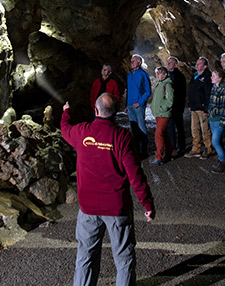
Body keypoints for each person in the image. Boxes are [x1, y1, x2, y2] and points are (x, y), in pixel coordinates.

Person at [61, 94, 155, 286]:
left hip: (89, 209)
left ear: (95, 111)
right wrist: (147, 203)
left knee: (85, 257)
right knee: (124, 259)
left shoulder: (82, 132)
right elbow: (135, 175)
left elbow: (65, 130)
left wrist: (66, 113)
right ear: (116, 112)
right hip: (116, 208)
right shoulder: (122, 137)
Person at [207, 70, 225, 172]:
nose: (211, 77)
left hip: (219, 119)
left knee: (215, 141)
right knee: (217, 141)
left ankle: (223, 162)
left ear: (220, 78)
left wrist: (221, 121)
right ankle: (221, 161)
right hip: (212, 119)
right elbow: (211, 103)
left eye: (213, 75)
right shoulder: (214, 88)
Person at [184, 56, 212, 158]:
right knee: (194, 129)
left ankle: (208, 149)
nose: (197, 65)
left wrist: (206, 108)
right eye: (197, 63)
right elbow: (191, 92)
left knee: (205, 130)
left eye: (199, 63)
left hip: (202, 108)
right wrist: (190, 104)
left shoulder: (207, 77)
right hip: (194, 107)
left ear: (204, 66)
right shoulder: (195, 75)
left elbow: (208, 93)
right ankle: (196, 148)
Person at [125, 54, 152, 158]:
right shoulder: (129, 75)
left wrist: (140, 103)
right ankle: (136, 150)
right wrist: (127, 105)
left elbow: (147, 91)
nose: (131, 62)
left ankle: (144, 152)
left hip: (138, 106)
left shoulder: (143, 75)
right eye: (131, 60)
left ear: (139, 63)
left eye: (134, 61)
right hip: (130, 106)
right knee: (134, 129)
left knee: (141, 128)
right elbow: (128, 91)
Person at [150, 66, 174, 165]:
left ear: (165, 74)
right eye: (157, 73)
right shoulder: (159, 84)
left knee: (158, 134)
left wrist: (161, 109)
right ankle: (169, 154)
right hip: (158, 114)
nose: (158, 75)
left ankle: (159, 157)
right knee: (164, 134)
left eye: (160, 73)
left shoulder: (167, 85)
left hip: (163, 114)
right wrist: (153, 107)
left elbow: (170, 101)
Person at [166, 57, 187, 157]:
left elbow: (182, 93)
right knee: (169, 127)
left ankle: (181, 147)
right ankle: (172, 146)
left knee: (179, 128)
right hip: (169, 107)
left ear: (175, 65)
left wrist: (181, 107)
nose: (168, 64)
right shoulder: (166, 75)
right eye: (168, 63)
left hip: (177, 106)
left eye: (170, 63)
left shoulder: (180, 76)